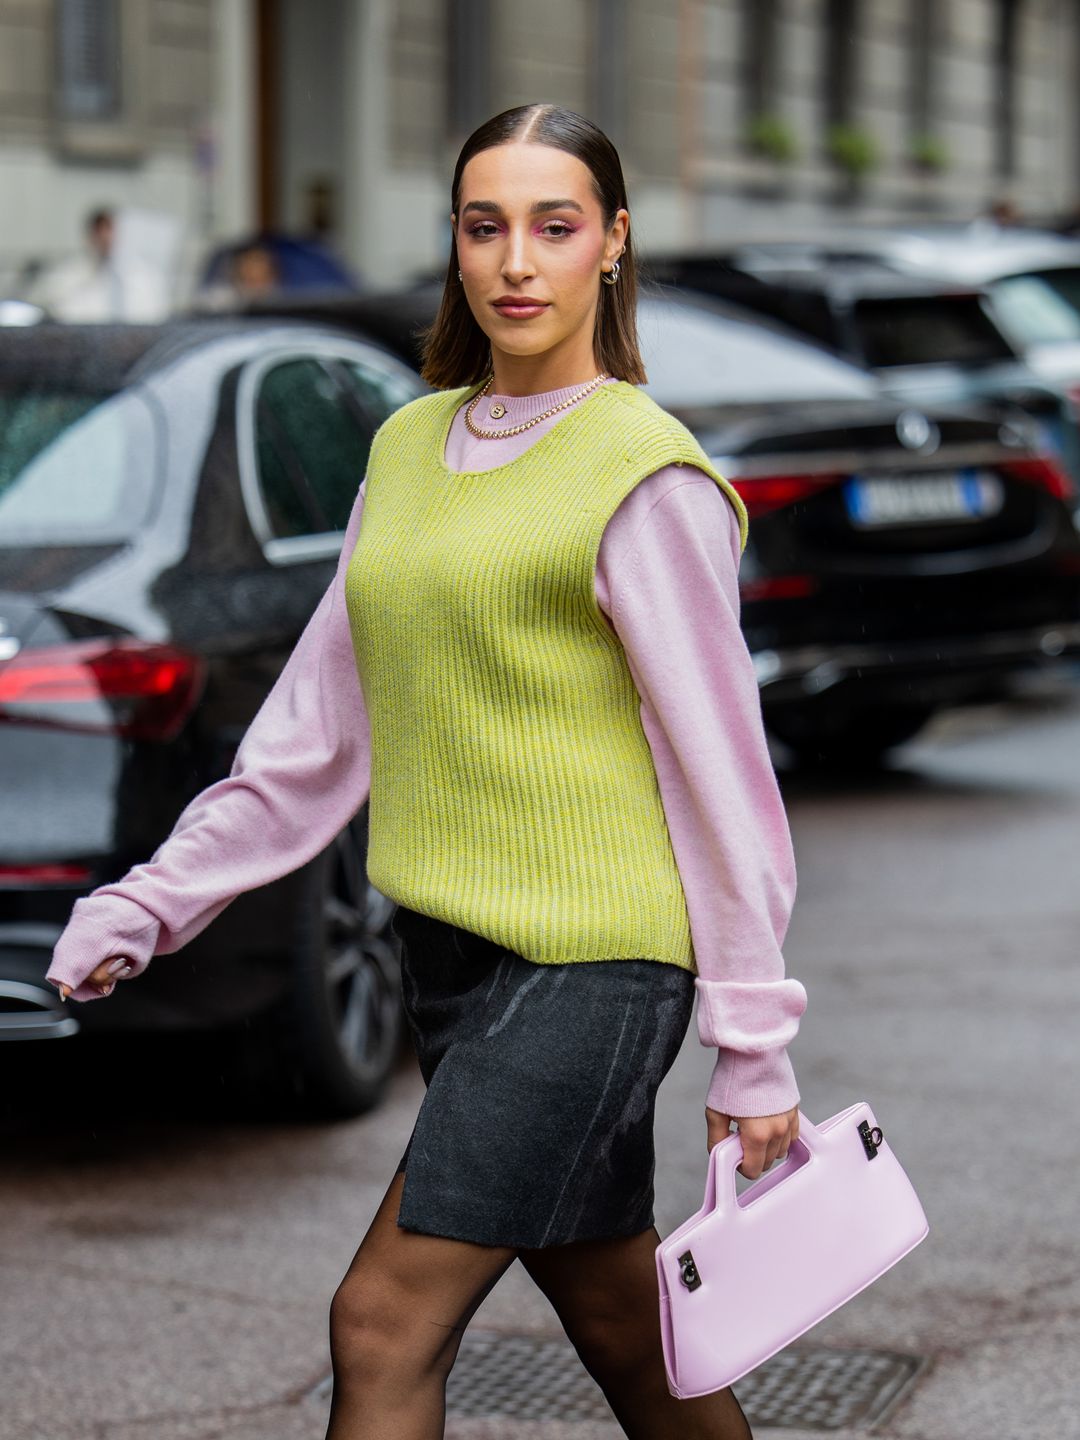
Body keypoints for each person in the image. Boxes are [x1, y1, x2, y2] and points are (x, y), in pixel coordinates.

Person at [46, 104, 808, 1439]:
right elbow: (314, 735)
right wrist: (153, 898)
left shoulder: (645, 474)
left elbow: (723, 779)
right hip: (451, 958)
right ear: (456, 248)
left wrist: (755, 1048)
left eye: (555, 227)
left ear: (612, 246)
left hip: (596, 969)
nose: (518, 260)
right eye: (485, 225)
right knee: (631, 1332)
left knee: (381, 1321)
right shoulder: (405, 449)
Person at [28, 206, 170, 323]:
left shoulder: (143, 275)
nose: (106, 240)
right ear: (91, 236)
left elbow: (154, 314)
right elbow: (61, 312)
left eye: (110, 231)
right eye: (100, 233)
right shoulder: (70, 276)